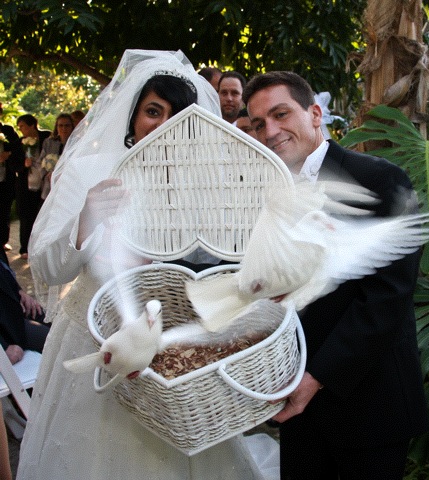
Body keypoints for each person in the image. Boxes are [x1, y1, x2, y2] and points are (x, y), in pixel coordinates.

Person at [17, 49, 269, 480]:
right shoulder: (89, 170)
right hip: (93, 342)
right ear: (133, 115)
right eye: (154, 111)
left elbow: (218, 262)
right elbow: (45, 269)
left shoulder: (199, 181)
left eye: (177, 115)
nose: (164, 124)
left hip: (169, 351)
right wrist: (85, 221)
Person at [243, 71, 429, 479]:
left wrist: (315, 379)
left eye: (280, 114)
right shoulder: (263, 199)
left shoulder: (381, 179)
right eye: (259, 124)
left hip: (369, 402)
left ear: (314, 113)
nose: (270, 131)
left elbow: (387, 296)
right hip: (296, 407)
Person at [0, 256, 49, 364]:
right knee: (57, 341)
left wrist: (19, 291)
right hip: (7, 331)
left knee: (60, 324)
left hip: (14, 307)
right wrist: (3, 348)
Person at [16, 114, 50, 259]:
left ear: (32, 125)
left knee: (41, 215)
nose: (21, 130)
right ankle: (25, 248)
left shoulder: (47, 138)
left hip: (44, 183)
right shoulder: (19, 142)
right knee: (26, 216)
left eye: (23, 126)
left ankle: (41, 246)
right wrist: (24, 165)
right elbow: (14, 164)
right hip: (26, 184)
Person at [0, 106, 25, 255]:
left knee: (4, 211)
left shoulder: (7, 130)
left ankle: (3, 241)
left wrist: (7, 154)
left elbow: (18, 148)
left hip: (5, 178)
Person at [38, 113, 75, 200]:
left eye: (67, 126)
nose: (63, 128)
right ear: (56, 127)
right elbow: (41, 161)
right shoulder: (49, 142)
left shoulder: (77, 143)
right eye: (60, 125)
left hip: (69, 185)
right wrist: (47, 174)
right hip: (49, 185)